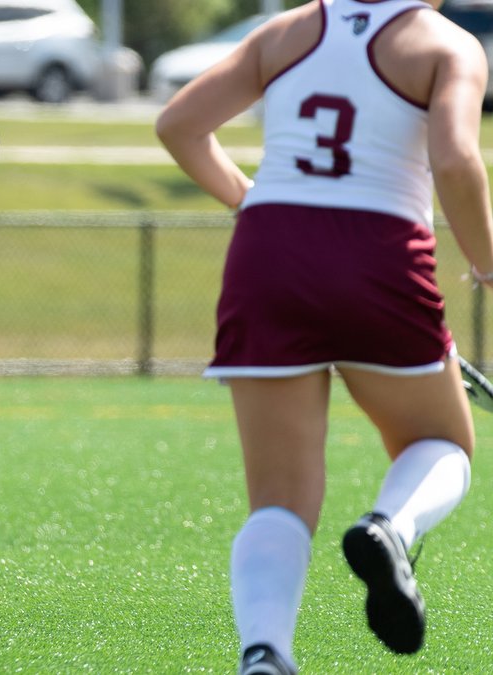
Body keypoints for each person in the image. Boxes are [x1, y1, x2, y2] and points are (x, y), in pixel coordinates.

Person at [156, 1, 491, 672]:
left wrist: (251, 200)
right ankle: (390, 528)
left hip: (267, 251)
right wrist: (487, 262)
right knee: (443, 442)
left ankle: (266, 653)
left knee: (280, 500)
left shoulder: (284, 32)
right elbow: (455, 160)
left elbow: (179, 125)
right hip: (379, 252)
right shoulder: (446, 43)